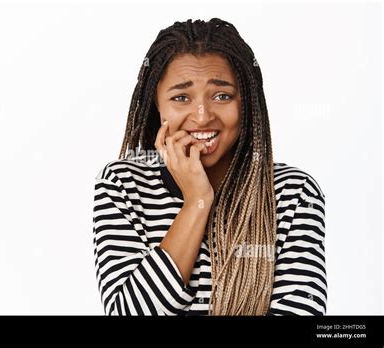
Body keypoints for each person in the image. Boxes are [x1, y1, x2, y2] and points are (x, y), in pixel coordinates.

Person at [92, 18, 327, 315]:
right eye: (181, 97)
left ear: (247, 103)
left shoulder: (294, 193)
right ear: (157, 104)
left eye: (222, 96)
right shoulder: (122, 185)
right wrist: (197, 202)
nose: (202, 117)